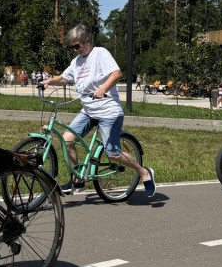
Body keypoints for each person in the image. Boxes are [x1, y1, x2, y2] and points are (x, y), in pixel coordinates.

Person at [38, 24, 156, 199]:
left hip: (108, 110)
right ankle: (76, 180)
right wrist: (49, 81)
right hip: (88, 110)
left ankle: (144, 172)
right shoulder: (77, 62)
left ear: (87, 41)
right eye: (72, 47)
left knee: (113, 153)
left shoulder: (100, 53)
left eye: (77, 46)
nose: (75, 50)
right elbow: (64, 78)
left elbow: (116, 74)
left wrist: (103, 88)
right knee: (67, 139)